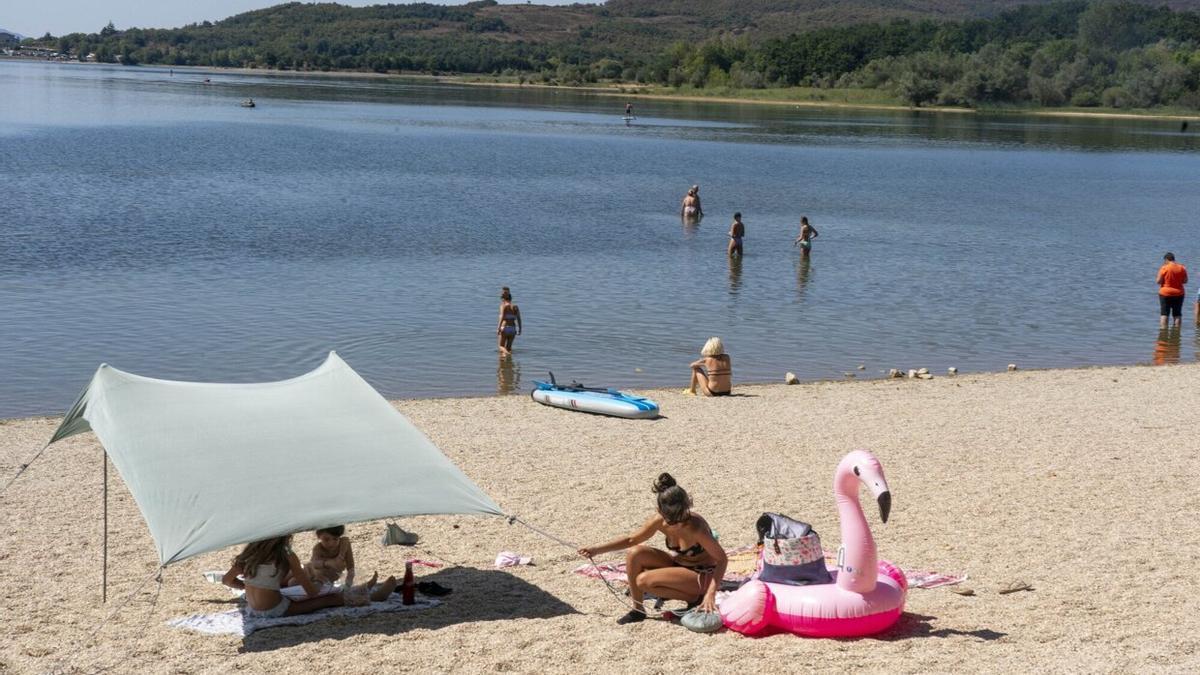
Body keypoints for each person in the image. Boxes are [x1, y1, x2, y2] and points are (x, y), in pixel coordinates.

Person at [577, 473, 726, 625]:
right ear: (660, 511)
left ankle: (693, 598)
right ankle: (638, 610)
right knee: (635, 553)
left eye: (680, 517)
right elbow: (632, 539)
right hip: (679, 565)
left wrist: (710, 594)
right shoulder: (659, 520)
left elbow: (722, 559)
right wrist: (596, 549)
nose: (676, 523)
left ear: (687, 506)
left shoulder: (696, 528)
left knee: (643, 581)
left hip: (701, 574)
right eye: (670, 519)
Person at [222, 535, 396, 618]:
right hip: (274, 609)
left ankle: (364, 589)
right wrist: (319, 582)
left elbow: (226, 580)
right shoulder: (286, 554)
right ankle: (373, 596)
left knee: (289, 587)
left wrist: (247, 588)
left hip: (253, 608)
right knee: (330, 598)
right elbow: (312, 592)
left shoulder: (249, 556)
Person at [1157, 252, 1188, 329]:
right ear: (1173, 259)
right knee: (1177, 314)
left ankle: (1163, 331)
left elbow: (1158, 281)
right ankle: (1177, 331)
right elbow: (1185, 281)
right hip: (1179, 293)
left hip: (1165, 293)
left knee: (1164, 314)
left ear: (1166, 259)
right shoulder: (1182, 268)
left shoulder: (1164, 268)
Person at [497, 287, 522, 354]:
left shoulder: (503, 305)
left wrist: (498, 328)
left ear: (502, 299)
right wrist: (520, 329)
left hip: (505, 327)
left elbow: (502, 317)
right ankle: (507, 362)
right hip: (513, 329)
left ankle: (508, 355)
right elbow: (519, 318)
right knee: (508, 348)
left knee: (501, 346)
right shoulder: (515, 306)